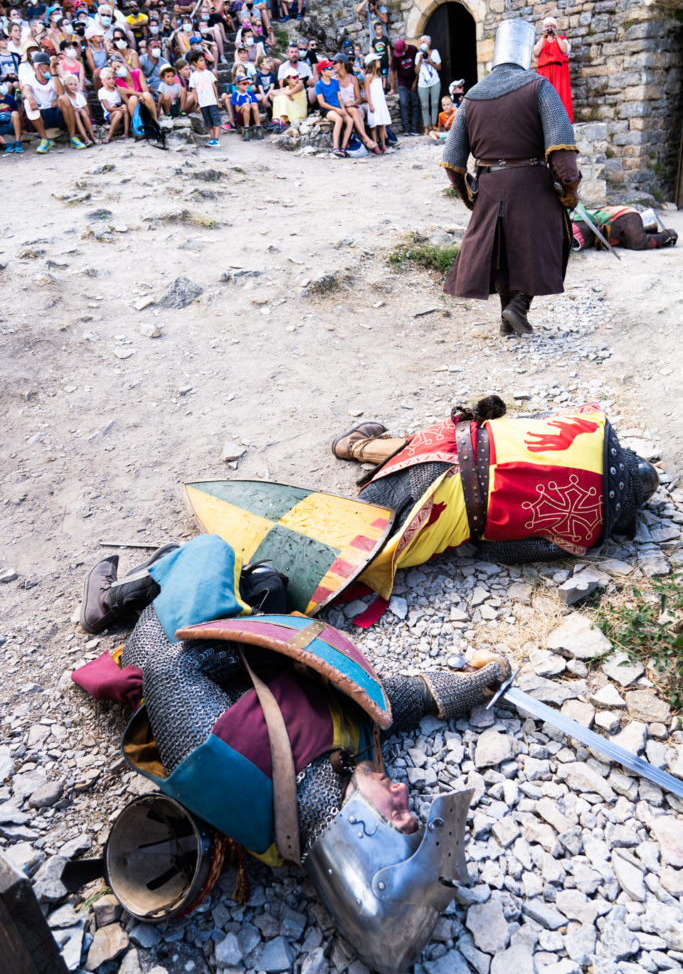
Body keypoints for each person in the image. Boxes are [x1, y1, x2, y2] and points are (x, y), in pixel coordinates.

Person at [75, 536, 510, 973]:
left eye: (402, 817)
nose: (403, 791)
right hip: (242, 660)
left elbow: (170, 670)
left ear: (362, 844)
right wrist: (472, 687)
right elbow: (388, 703)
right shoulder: (343, 773)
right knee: (270, 581)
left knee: (212, 552)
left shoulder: (240, 777)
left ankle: (109, 602)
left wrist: (274, 649)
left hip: (177, 648)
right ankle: (166, 572)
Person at [330, 395, 660, 603]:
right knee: (356, 555)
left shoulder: (591, 423)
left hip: (444, 447)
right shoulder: (589, 532)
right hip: (446, 511)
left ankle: (360, 447)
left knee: (456, 439)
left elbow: (514, 425)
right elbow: (499, 549)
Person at [442, 18, 581, 336]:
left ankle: (509, 321)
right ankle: (517, 307)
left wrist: (469, 197)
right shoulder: (539, 87)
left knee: (502, 250)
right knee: (548, 240)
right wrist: (570, 189)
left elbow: (452, 162)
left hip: (489, 185)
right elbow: (561, 150)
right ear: (524, 53)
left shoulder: (473, 97)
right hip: (532, 182)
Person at [21, 50, 86, 153]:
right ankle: (44, 140)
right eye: (48, 65)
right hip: (41, 113)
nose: (50, 67)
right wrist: (29, 97)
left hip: (55, 113)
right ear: (39, 67)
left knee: (64, 98)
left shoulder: (54, 77)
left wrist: (53, 72)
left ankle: (73, 137)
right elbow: (26, 89)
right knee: (27, 102)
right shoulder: (29, 78)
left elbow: (61, 93)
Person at [571, 205, 678, 251]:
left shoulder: (628, 217)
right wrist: (663, 237)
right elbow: (637, 242)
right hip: (583, 227)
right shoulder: (632, 217)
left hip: (585, 232)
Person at [333, 53, 380, 153]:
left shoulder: (352, 78)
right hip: (343, 107)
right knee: (354, 111)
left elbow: (359, 98)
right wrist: (346, 105)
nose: (333, 65)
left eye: (335, 63)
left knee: (355, 111)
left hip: (354, 106)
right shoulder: (334, 80)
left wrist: (353, 102)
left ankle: (365, 142)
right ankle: (366, 140)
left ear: (342, 64)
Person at [533, 16, 572, 122]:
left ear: (556, 28)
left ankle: (563, 121)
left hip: (559, 71)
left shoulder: (562, 39)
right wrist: (543, 37)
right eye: (547, 26)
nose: (549, 28)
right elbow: (536, 52)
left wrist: (556, 36)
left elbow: (564, 50)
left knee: (561, 95)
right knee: (546, 98)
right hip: (544, 72)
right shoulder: (541, 41)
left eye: (552, 26)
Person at [316, 59, 353, 157]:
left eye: (332, 67)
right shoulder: (318, 85)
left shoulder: (335, 82)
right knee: (339, 119)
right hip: (327, 109)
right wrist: (336, 109)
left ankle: (343, 147)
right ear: (322, 71)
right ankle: (335, 147)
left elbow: (339, 97)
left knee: (350, 121)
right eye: (329, 68)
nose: (332, 69)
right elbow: (322, 103)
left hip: (337, 107)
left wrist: (343, 109)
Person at [188, 48, 221, 147]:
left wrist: (217, 100)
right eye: (201, 60)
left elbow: (214, 87)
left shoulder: (209, 73)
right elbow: (194, 91)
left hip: (211, 101)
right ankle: (212, 139)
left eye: (204, 60)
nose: (203, 62)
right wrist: (197, 103)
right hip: (203, 103)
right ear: (195, 63)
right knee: (208, 122)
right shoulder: (193, 76)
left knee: (216, 121)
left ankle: (217, 139)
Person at [389, 38, 419, 135]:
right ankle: (406, 129)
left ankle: (414, 129)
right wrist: (392, 88)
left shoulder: (413, 50)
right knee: (403, 103)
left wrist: (415, 82)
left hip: (413, 80)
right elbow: (392, 71)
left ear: (405, 47)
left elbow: (419, 66)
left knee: (415, 103)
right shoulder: (395, 56)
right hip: (402, 82)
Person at [364, 52, 391, 152]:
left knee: (381, 123)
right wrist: (370, 104)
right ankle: (375, 144)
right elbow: (367, 91)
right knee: (374, 124)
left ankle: (383, 144)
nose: (379, 62)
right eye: (377, 60)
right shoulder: (368, 76)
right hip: (374, 102)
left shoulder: (378, 76)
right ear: (373, 63)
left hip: (380, 102)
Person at [415, 34, 441, 133]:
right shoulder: (418, 55)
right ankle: (426, 126)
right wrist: (420, 61)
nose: (423, 44)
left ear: (429, 43)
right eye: (421, 43)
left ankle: (434, 124)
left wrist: (430, 62)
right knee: (424, 105)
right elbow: (416, 71)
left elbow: (439, 67)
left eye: (424, 42)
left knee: (434, 103)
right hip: (422, 83)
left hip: (434, 81)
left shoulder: (435, 53)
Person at [63, 72, 97, 145]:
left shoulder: (79, 96)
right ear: (65, 86)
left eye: (75, 84)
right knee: (75, 113)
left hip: (83, 117)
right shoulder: (65, 97)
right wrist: (74, 109)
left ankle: (93, 136)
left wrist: (80, 110)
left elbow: (87, 111)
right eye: (70, 84)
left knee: (82, 111)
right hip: (72, 119)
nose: (73, 86)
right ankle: (86, 139)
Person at [98, 65, 129, 140]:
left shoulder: (117, 89)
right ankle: (109, 136)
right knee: (119, 112)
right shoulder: (102, 91)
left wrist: (120, 106)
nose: (112, 80)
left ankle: (126, 133)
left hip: (120, 109)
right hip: (110, 114)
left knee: (124, 106)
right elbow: (107, 108)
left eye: (113, 78)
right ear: (103, 80)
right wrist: (118, 109)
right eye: (108, 79)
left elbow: (122, 102)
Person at [269, 66, 306, 130]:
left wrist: (286, 94)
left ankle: (282, 121)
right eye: (294, 77)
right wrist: (287, 95)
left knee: (281, 97)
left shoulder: (300, 85)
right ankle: (278, 120)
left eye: (297, 76)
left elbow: (290, 92)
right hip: (292, 110)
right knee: (275, 97)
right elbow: (271, 92)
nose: (297, 79)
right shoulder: (286, 88)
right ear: (288, 80)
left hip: (299, 111)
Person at [231, 72, 263, 140]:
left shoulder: (250, 93)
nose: (247, 85)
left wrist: (250, 105)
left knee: (254, 105)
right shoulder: (235, 94)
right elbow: (237, 110)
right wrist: (243, 105)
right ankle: (246, 130)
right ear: (238, 85)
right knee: (246, 107)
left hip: (252, 117)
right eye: (244, 84)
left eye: (247, 83)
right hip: (241, 118)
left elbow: (254, 105)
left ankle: (258, 128)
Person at [0, 80, 23, 153]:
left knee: (15, 113)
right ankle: (6, 144)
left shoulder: (9, 97)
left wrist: (22, 128)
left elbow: (19, 112)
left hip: (11, 125)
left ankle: (17, 142)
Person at [369, 18, 390, 90]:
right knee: (379, 75)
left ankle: (384, 89)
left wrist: (389, 59)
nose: (380, 30)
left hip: (384, 60)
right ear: (375, 31)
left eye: (381, 28)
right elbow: (373, 51)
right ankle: (380, 88)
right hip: (378, 61)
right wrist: (373, 60)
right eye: (378, 29)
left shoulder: (385, 38)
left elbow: (388, 49)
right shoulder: (374, 40)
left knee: (385, 75)